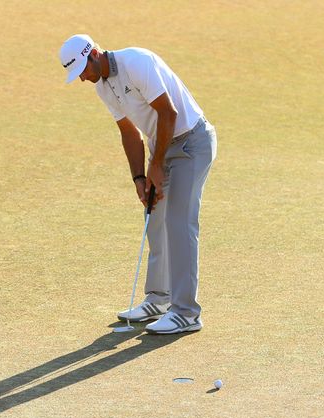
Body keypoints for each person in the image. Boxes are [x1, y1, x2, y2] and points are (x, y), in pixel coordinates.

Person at [59, 34, 217, 334]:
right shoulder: (103, 87)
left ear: (94, 53)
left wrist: (156, 164)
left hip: (192, 143)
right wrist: (139, 178)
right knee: (155, 218)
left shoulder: (137, 61)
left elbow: (168, 113)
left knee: (178, 222)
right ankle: (159, 298)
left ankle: (186, 312)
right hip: (163, 145)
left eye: (83, 69)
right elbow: (129, 133)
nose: (82, 78)